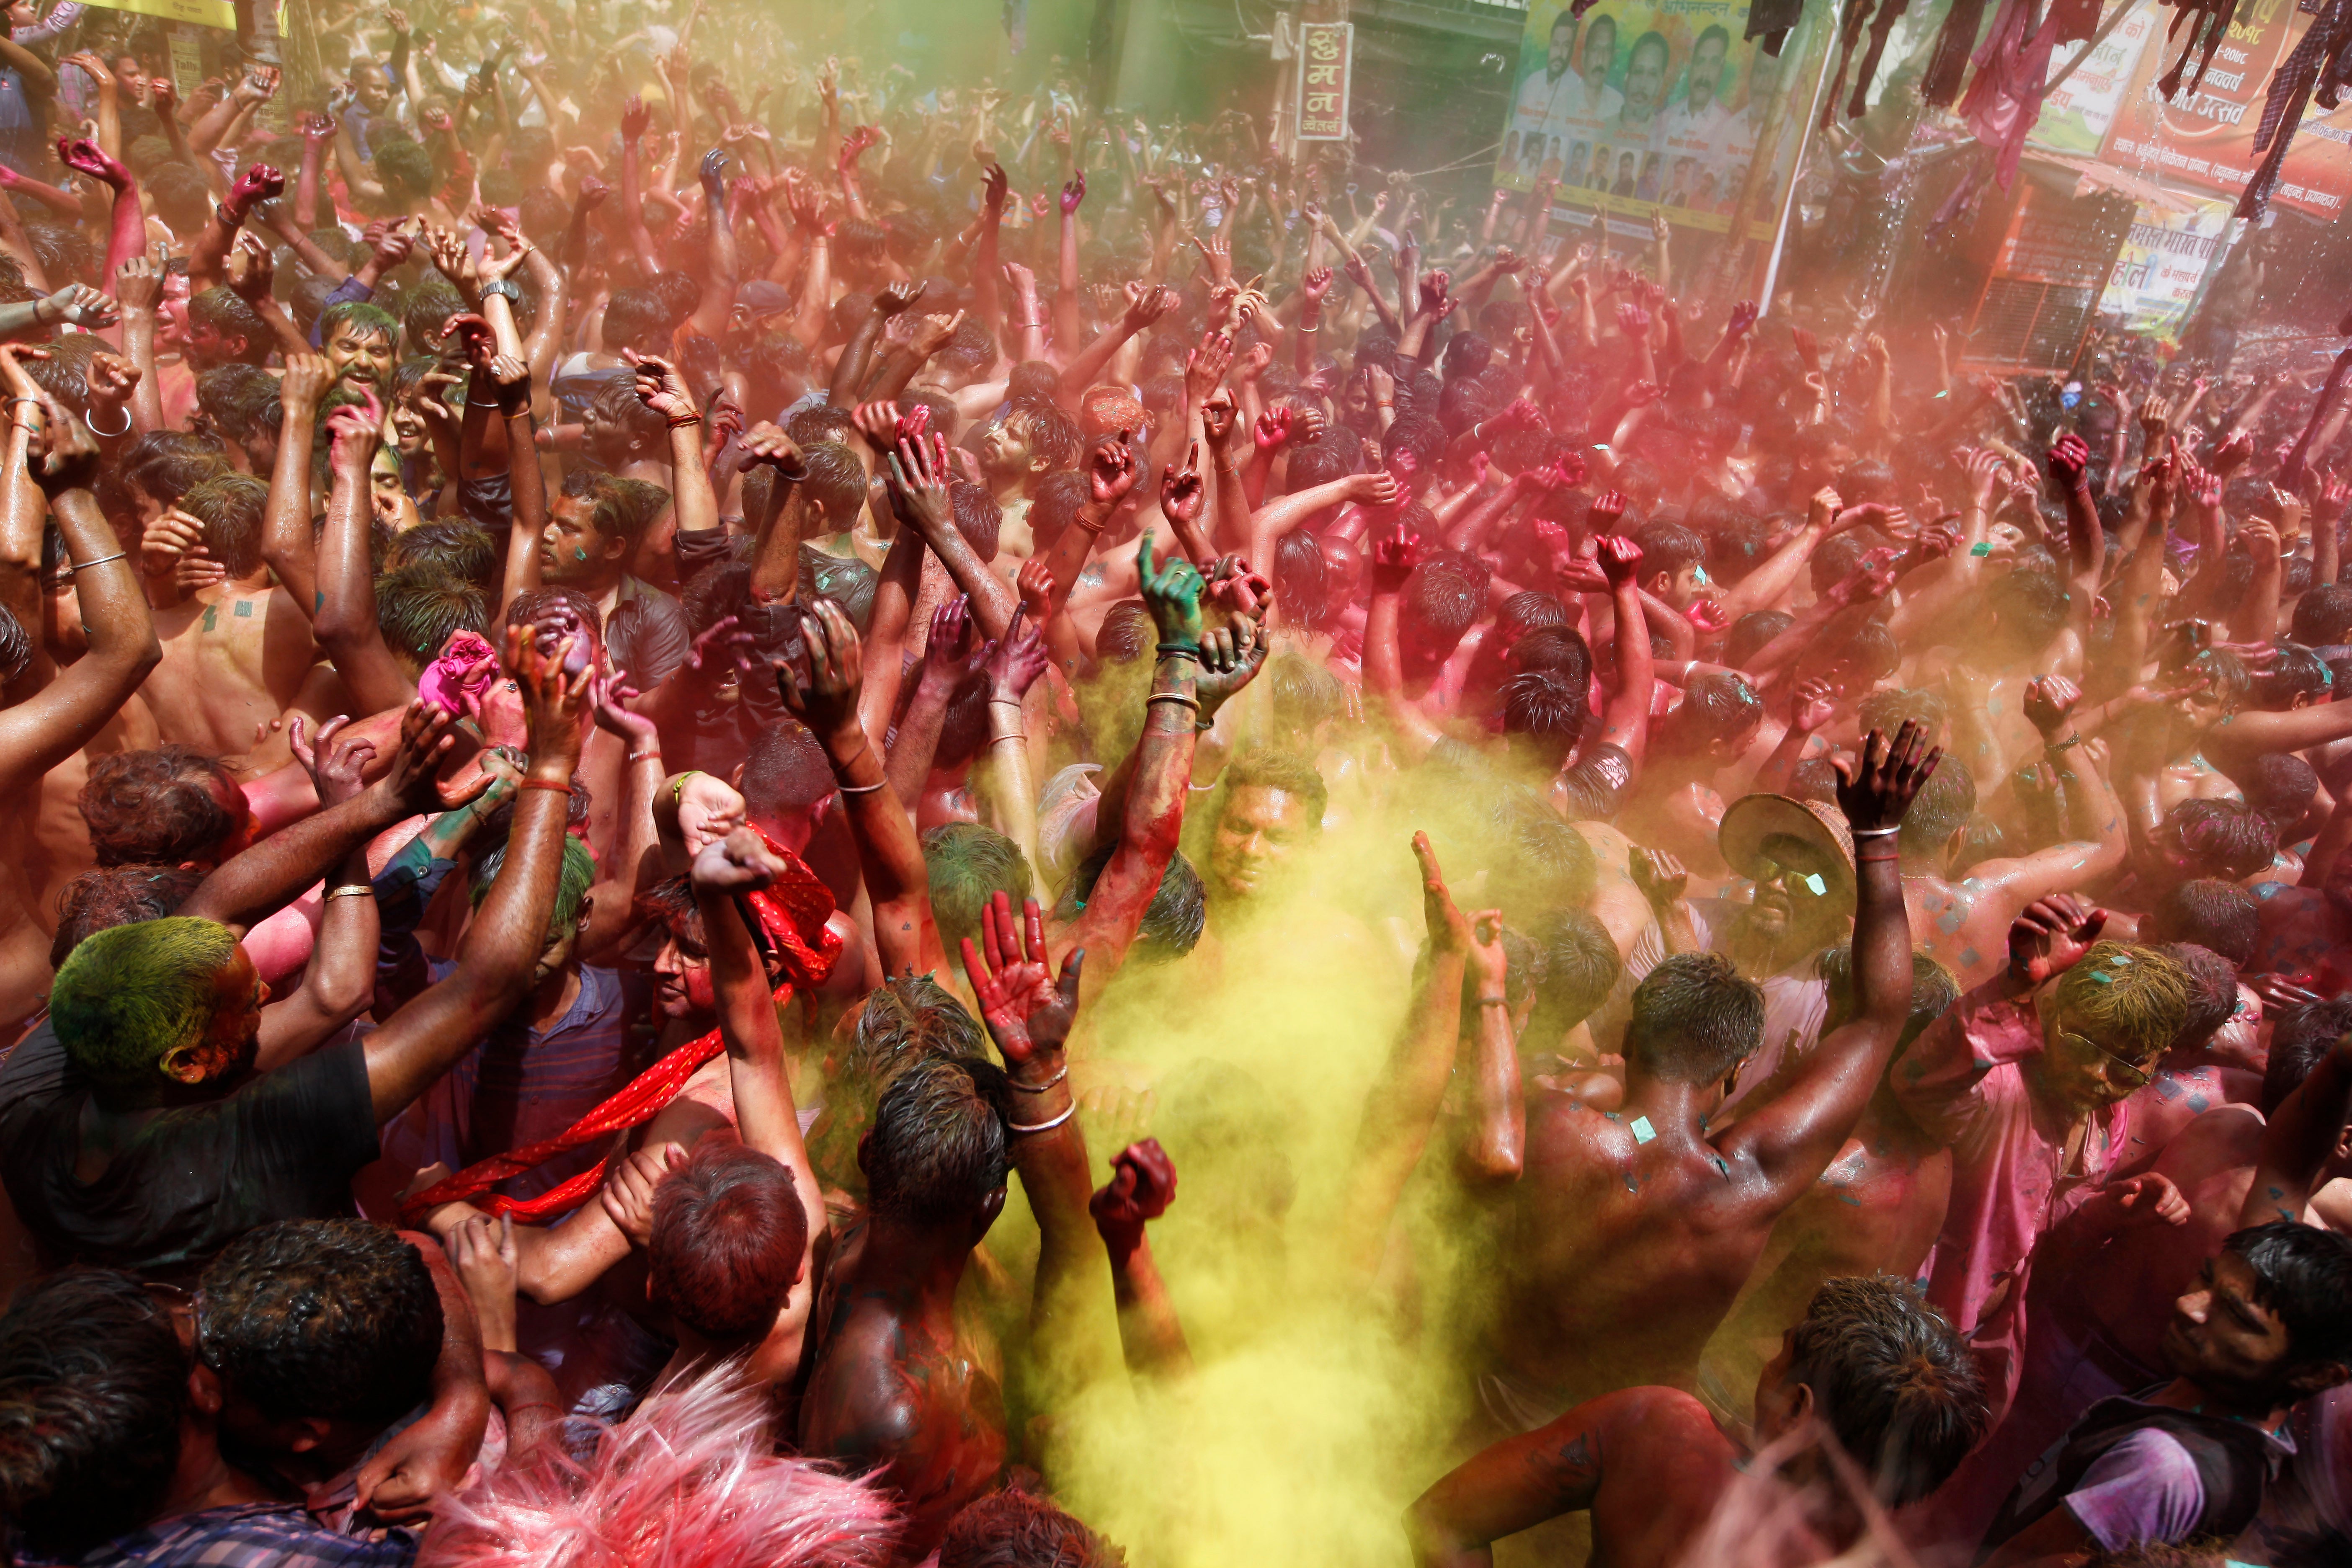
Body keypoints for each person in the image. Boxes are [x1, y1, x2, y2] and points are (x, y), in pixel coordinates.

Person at [1406, 1276, 1988, 1568]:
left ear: (1795, 1411)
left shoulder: (1661, 1429)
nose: (1767, 1362)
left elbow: (1443, 1520)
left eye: (1782, 1352)